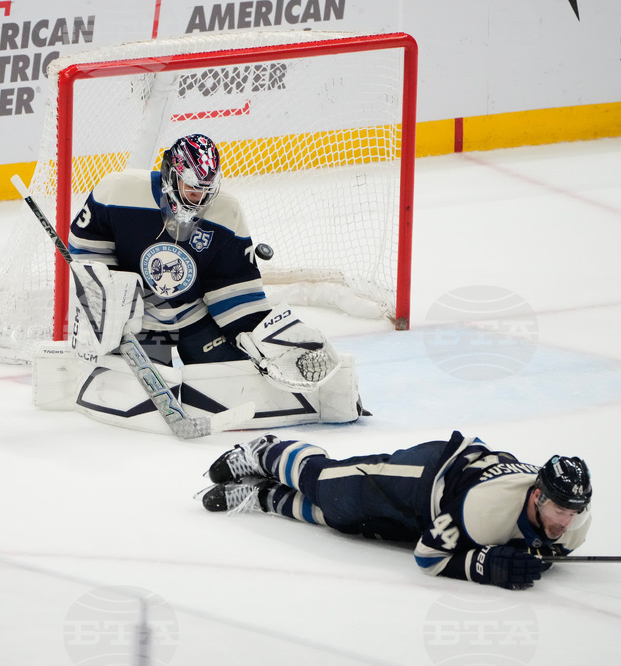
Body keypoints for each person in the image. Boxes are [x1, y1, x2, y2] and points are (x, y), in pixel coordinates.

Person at [32, 133, 365, 433]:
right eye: (192, 187)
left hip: (193, 316)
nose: (198, 197)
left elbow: (233, 284)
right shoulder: (119, 190)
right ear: (171, 175)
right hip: (141, 322)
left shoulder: (226, 211)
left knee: (231, 379)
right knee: (141, 398)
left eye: (206, 190)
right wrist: (114, 300)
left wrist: (252, 333)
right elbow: (87, 247)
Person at [200, 430, 592, 590]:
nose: (564, 521)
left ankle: (263, 497)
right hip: (426, 476)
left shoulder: (573, 527)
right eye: (559, 508)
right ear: (537, 495)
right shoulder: (486, 508)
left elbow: (545, 551)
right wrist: (489, 567)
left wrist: (531, 558)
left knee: (345, 522)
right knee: (330, 487)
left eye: (573, 512)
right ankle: (266, 452)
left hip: (437, 514)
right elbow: (429, 557)